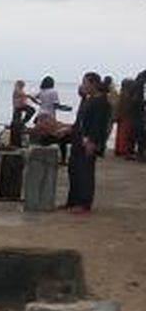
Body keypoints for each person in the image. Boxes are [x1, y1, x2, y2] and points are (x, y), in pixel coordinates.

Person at [64, 71, 112, 213]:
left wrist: (92, 141)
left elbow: (99, 125)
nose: (82, 85)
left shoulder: (101, 102)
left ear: (93, 84)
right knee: (74, 170)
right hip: (78, 140)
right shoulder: (88, 100)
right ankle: (72, 201)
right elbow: (80, 121)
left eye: (85, 83)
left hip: (89, 142)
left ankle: (84, 203)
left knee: (85, 172)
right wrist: (68, 129)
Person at [11, 80, 36, 147]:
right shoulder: (17, 90)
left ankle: (23, 123)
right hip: (18, 108)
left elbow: (26, 96)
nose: (23, 87)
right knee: (16, 125)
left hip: (22, 107)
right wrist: (29, 96)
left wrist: (36, 101)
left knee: (32, 110)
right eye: (22, 85)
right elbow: (23, 94)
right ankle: (16, 143)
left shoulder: (20, 90)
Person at [114, 78, 135, 156]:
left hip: (122, 116)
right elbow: (125, 107)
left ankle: (119, 149)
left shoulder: (123, 94)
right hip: (126, 116)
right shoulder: (127, 95)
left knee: (121, 133)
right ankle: (122, 149)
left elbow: (119, 106)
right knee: (124, 133)